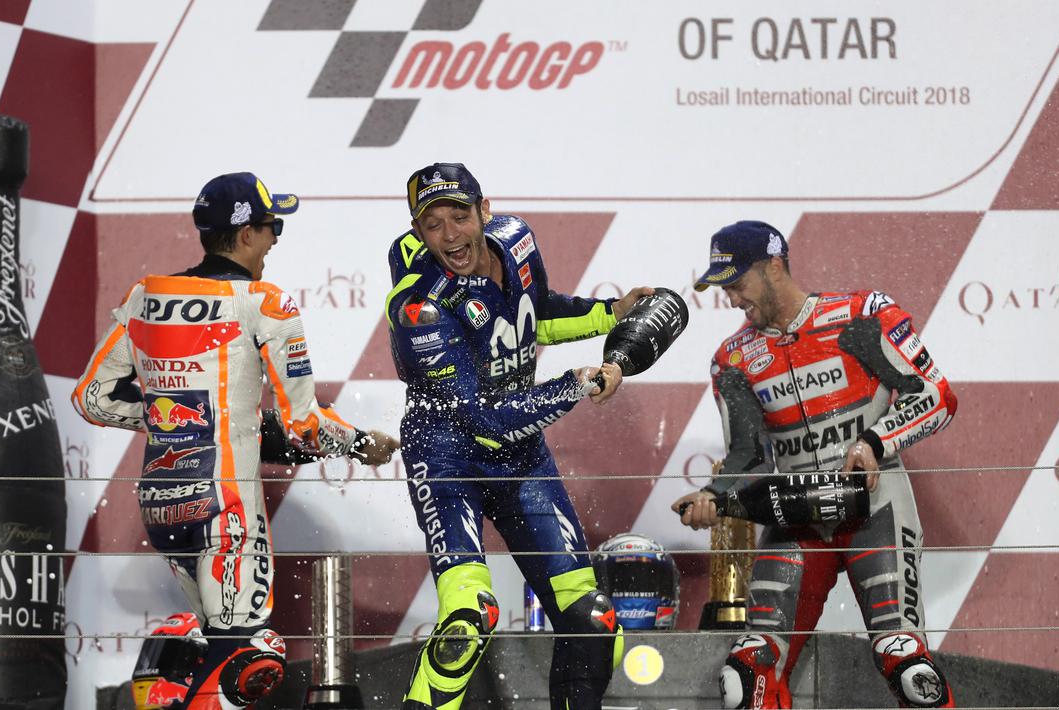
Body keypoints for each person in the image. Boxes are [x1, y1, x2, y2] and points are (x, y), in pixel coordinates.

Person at [73, 172, 398, 708]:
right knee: (245, 661)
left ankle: (169, 685)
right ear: (246, 234)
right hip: (224, 509)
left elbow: (92, 398)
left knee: (213, 651)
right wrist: (361, 444)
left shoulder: (145, 297)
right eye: (273, 228)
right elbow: (305, 426)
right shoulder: (265, 303)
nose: (275, 241)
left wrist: (170, 418)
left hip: (161, 506)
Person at [386, 162, 653, 710]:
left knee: (593, 619)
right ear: (418, 233)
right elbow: (482, 418)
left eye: (459, 216)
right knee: (469, 618)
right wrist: (574, 387)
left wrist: (611, 313)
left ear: (486, 211)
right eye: (432, 224)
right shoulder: (418, 306)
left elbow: (537, 317)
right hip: (447, 454)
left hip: (521, 449)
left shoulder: (518, 240)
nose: (450, 235)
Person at [671, 221, 958, 708]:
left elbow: (937, 396)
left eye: (737, 285)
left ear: (773, 267)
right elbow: (749, 454)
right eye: (724, 289)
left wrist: (874, 441)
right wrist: (714, 498)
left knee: (907, 666)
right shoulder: (733, 358)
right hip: (797, 517)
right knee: (747, 674)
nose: (733, 300)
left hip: (876, 510)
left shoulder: (862, 317)